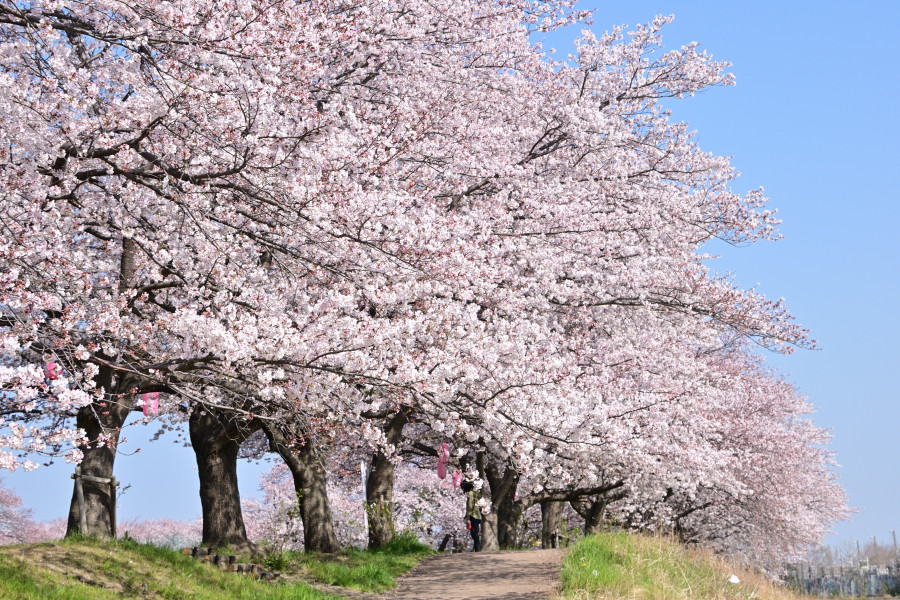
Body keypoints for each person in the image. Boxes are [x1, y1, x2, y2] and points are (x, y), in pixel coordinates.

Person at [461, 480, 482, 552]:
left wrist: (468, 518)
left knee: (474, 534)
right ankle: (478, 549)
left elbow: (470, 506)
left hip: (473, 516)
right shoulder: (477, 493)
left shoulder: (470, 493)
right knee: (475, 533)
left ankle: (478, 550)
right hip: (478, 516)